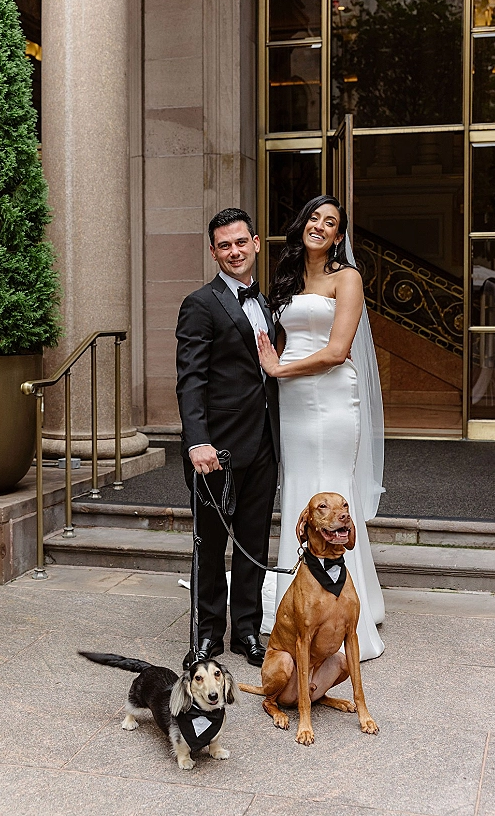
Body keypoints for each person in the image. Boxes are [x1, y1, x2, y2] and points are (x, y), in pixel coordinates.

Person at [257, 195, 385, 661]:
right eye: (314, 217)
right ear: (303, 224)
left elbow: (336, 351)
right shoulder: (289, 275)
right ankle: (299, 604)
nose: (320, 226)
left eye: (330, 222)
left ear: (338, 236)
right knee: (298, 487)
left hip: (331, 398)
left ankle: (349, 606)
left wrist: (279, 370)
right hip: (293, 400)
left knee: (331, 490)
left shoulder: (347, 278)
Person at [176, 208, 279, 669]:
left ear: (256, 243)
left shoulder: (269, 303)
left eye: (241, 242)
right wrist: (197, 440)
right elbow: (191, 379)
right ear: (213, 251)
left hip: (263, 446)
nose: (234, 252)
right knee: (211, 544)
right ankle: (205, 636)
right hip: (214, 451)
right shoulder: (200, 304)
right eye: (224, 245)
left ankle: (247, 633)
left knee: (254, 545)